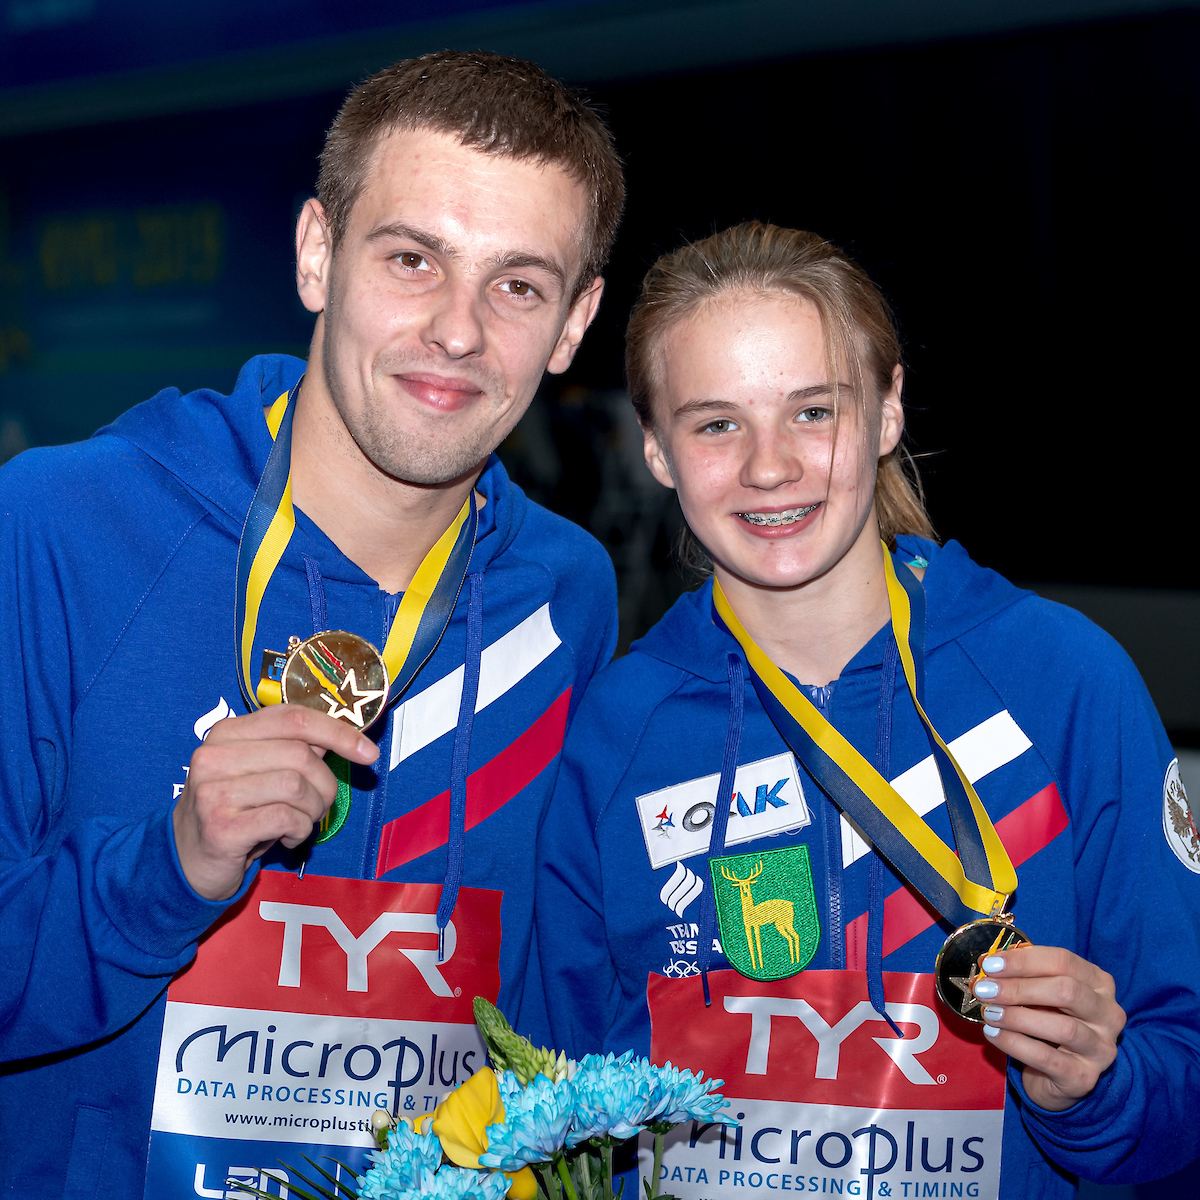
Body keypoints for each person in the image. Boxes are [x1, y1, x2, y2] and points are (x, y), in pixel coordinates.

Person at [0, 51, 624, 1198]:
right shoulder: (60, 526)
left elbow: (547, 993)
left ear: (575, 323)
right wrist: (171, 866)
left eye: (518, 286)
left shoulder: (562, 595)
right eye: (412, 260)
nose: (458, 330)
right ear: (317, 254)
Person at [532, 222, 1200, 1199]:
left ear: (888, 411)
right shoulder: (618, 733)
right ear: (656, 448)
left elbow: (1182, 1077)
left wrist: (1095, 1090)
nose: (769, 467)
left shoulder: (1063, 682)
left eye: (813, 411)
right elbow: (555, 1101)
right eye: (716, 424)